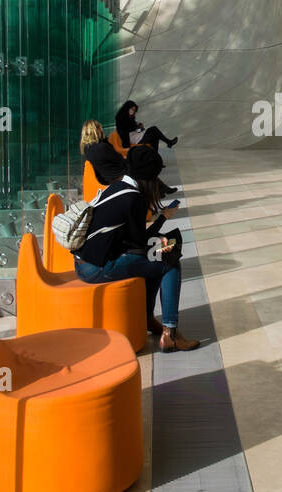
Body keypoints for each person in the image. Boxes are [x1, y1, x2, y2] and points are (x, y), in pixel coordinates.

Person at [73, 144, 198, 352]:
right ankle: (170, 334)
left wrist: (159, 234)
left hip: (86, 261)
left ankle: (149, 319)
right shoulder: (134, 199)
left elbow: (133, 240)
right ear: (148, 177)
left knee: (157, 258)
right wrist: (162, 224)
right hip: (97, 267)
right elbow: (140, 243)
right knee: (169, 262)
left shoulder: (117, 186)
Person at [80, 120, 178, 193]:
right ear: (97, 130)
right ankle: (162, 189)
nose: (102, 129)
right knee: (142, 167)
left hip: (107, 175)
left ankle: (162, 190)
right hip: (117, 175)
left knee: (140, 166)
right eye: (100, 128)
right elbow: (118, 159)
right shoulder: (102, 147)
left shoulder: (87, 148)